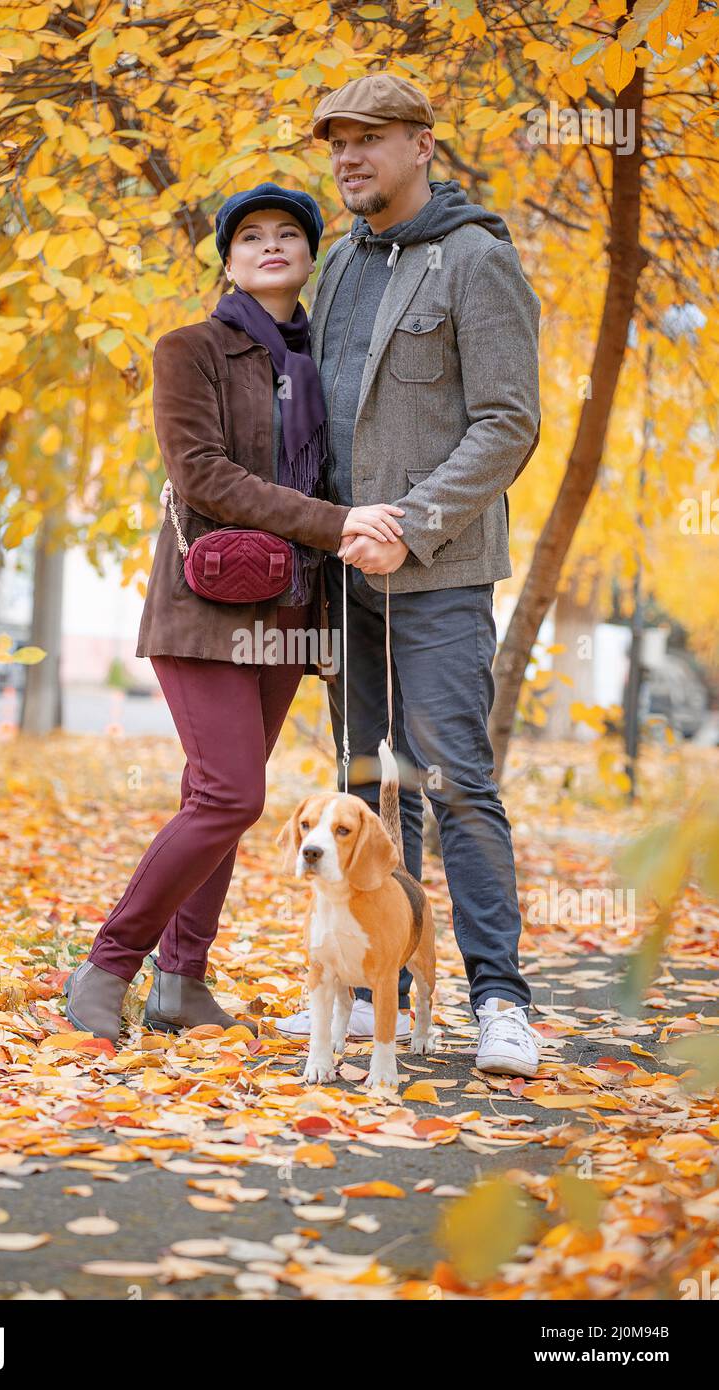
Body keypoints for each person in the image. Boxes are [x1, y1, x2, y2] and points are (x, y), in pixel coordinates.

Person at [63, 184, 406, 1044]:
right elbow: (202, 475)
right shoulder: (190, 350)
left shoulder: (322, 365)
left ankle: (182, 984)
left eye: (288, 233)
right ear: (228, 259)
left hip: (289, 613)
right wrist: (334, 525)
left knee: (215, 794)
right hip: (204, 607)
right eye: (250, 235)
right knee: (229, 794)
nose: (269, 245)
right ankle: (108, 965)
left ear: (309, 254)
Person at [274, 74, 544, 1077]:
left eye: (371, 139)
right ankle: (373, 988)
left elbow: (506, 420)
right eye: (336, 141)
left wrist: (412, 524)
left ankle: (499, 1002)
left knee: (453, 781)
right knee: (364, 790)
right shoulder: (340, 264)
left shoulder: (475, 261)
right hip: (344, 574)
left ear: (421, 145)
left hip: (439, 573)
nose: (349, 157)